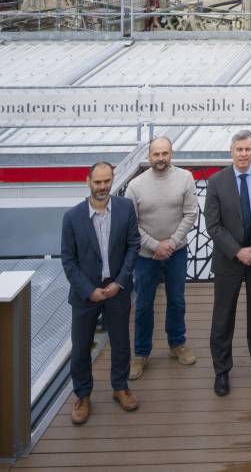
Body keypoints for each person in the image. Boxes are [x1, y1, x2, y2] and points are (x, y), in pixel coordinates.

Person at [61, 162, 141, 425]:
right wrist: (88, 290)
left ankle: (120, 387)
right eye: (98, 182)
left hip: (117, 289)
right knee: (81, 347)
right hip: (86, 295)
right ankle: (83, 396)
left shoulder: (125, 208)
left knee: (120, 342)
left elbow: (133, 246)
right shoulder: (71, 218)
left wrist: (119, 282)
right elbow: (68, 260)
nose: (103, 187)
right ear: (88, 182)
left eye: (107, 181)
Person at [204, 131, 251, 397]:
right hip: (229, 259)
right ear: (231, 151)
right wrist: (238, 251)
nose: (244, 154)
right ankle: (222, 371)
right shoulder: (216, 181)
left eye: (248, 149)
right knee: (223, 317)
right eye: (239, 149)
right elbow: (213, 225)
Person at [126, 137, 198, 380]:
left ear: (171, 154)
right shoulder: (135, 186)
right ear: (149, 155)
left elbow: (190, 214)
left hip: (176, 251)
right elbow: (131, 225)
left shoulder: (185, 178)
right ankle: (141, 353)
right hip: (146, 256)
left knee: (176, 300)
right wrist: (156, 246)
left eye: (164, 153)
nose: (160, 159)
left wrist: (172, 243)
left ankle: (177, 344)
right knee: (144, 304)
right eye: (156, 154)